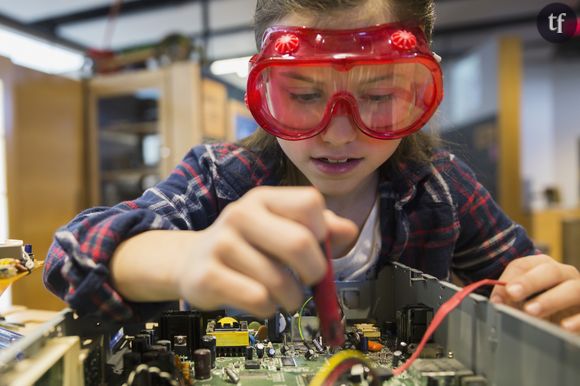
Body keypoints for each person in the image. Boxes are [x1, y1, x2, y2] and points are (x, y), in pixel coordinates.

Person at [43, 0, 580, 333]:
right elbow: (69, 254)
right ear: (264, 93)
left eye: (380, 95)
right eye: (302, 94)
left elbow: (528, 284)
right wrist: (181, 258)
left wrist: (551, 297)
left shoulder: (439, 186)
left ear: (420, 96)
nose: (339, 132)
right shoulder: (220, 178)